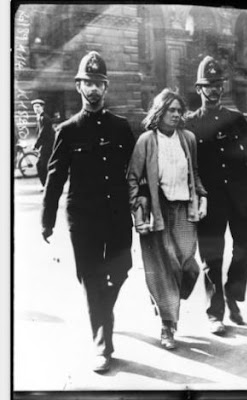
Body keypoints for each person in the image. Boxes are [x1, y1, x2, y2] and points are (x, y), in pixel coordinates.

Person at [41, 51, 135, 372]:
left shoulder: (122, 128)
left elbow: (135, 174)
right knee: (92, 278)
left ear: (106, 88)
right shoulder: (67, 130)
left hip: (118, 216)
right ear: (78, 86)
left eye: (99, 83)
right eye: (88, 83)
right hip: (83, 220)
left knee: (122, 269)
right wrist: (47, 221)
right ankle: (102, 344)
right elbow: (55, 179)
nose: (93, 89)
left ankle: (103, 314)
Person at [185, 56, 247, 335]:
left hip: (241, 198)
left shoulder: (236, 120)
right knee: (212, 258)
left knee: (246, 251)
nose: (214, 90)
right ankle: (215, 313)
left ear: (223, 88)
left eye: (218, 85)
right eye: (208, 85)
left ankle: (232, 293)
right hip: (209, 201)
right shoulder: (189, 124)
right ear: (199, 89)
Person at [127, 89, 207, 350]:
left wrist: (202, 195)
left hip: (184, 211)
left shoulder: (188, 139)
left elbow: (194, 173)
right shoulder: (147, 141)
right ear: (159, 112)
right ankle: (167, 325)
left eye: (178, 110)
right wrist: (139, 209)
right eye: (170, 110)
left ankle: (164, 299)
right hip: (158, 211)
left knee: (187, 265)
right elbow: (132, 178)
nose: (176, 114)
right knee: (165, 267)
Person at [31, 99, 55, 187]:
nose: (36, 109)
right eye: (34, 107)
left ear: (42, 107)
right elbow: (39, 132)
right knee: (42, 166)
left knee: (42, 166)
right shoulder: (40, 117)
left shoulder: (45, 118)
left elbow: (43, 133)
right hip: (45, 146)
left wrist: (36, 145)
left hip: (48, 146)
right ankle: (46, 185)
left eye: (38, 107)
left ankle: (47, 185)